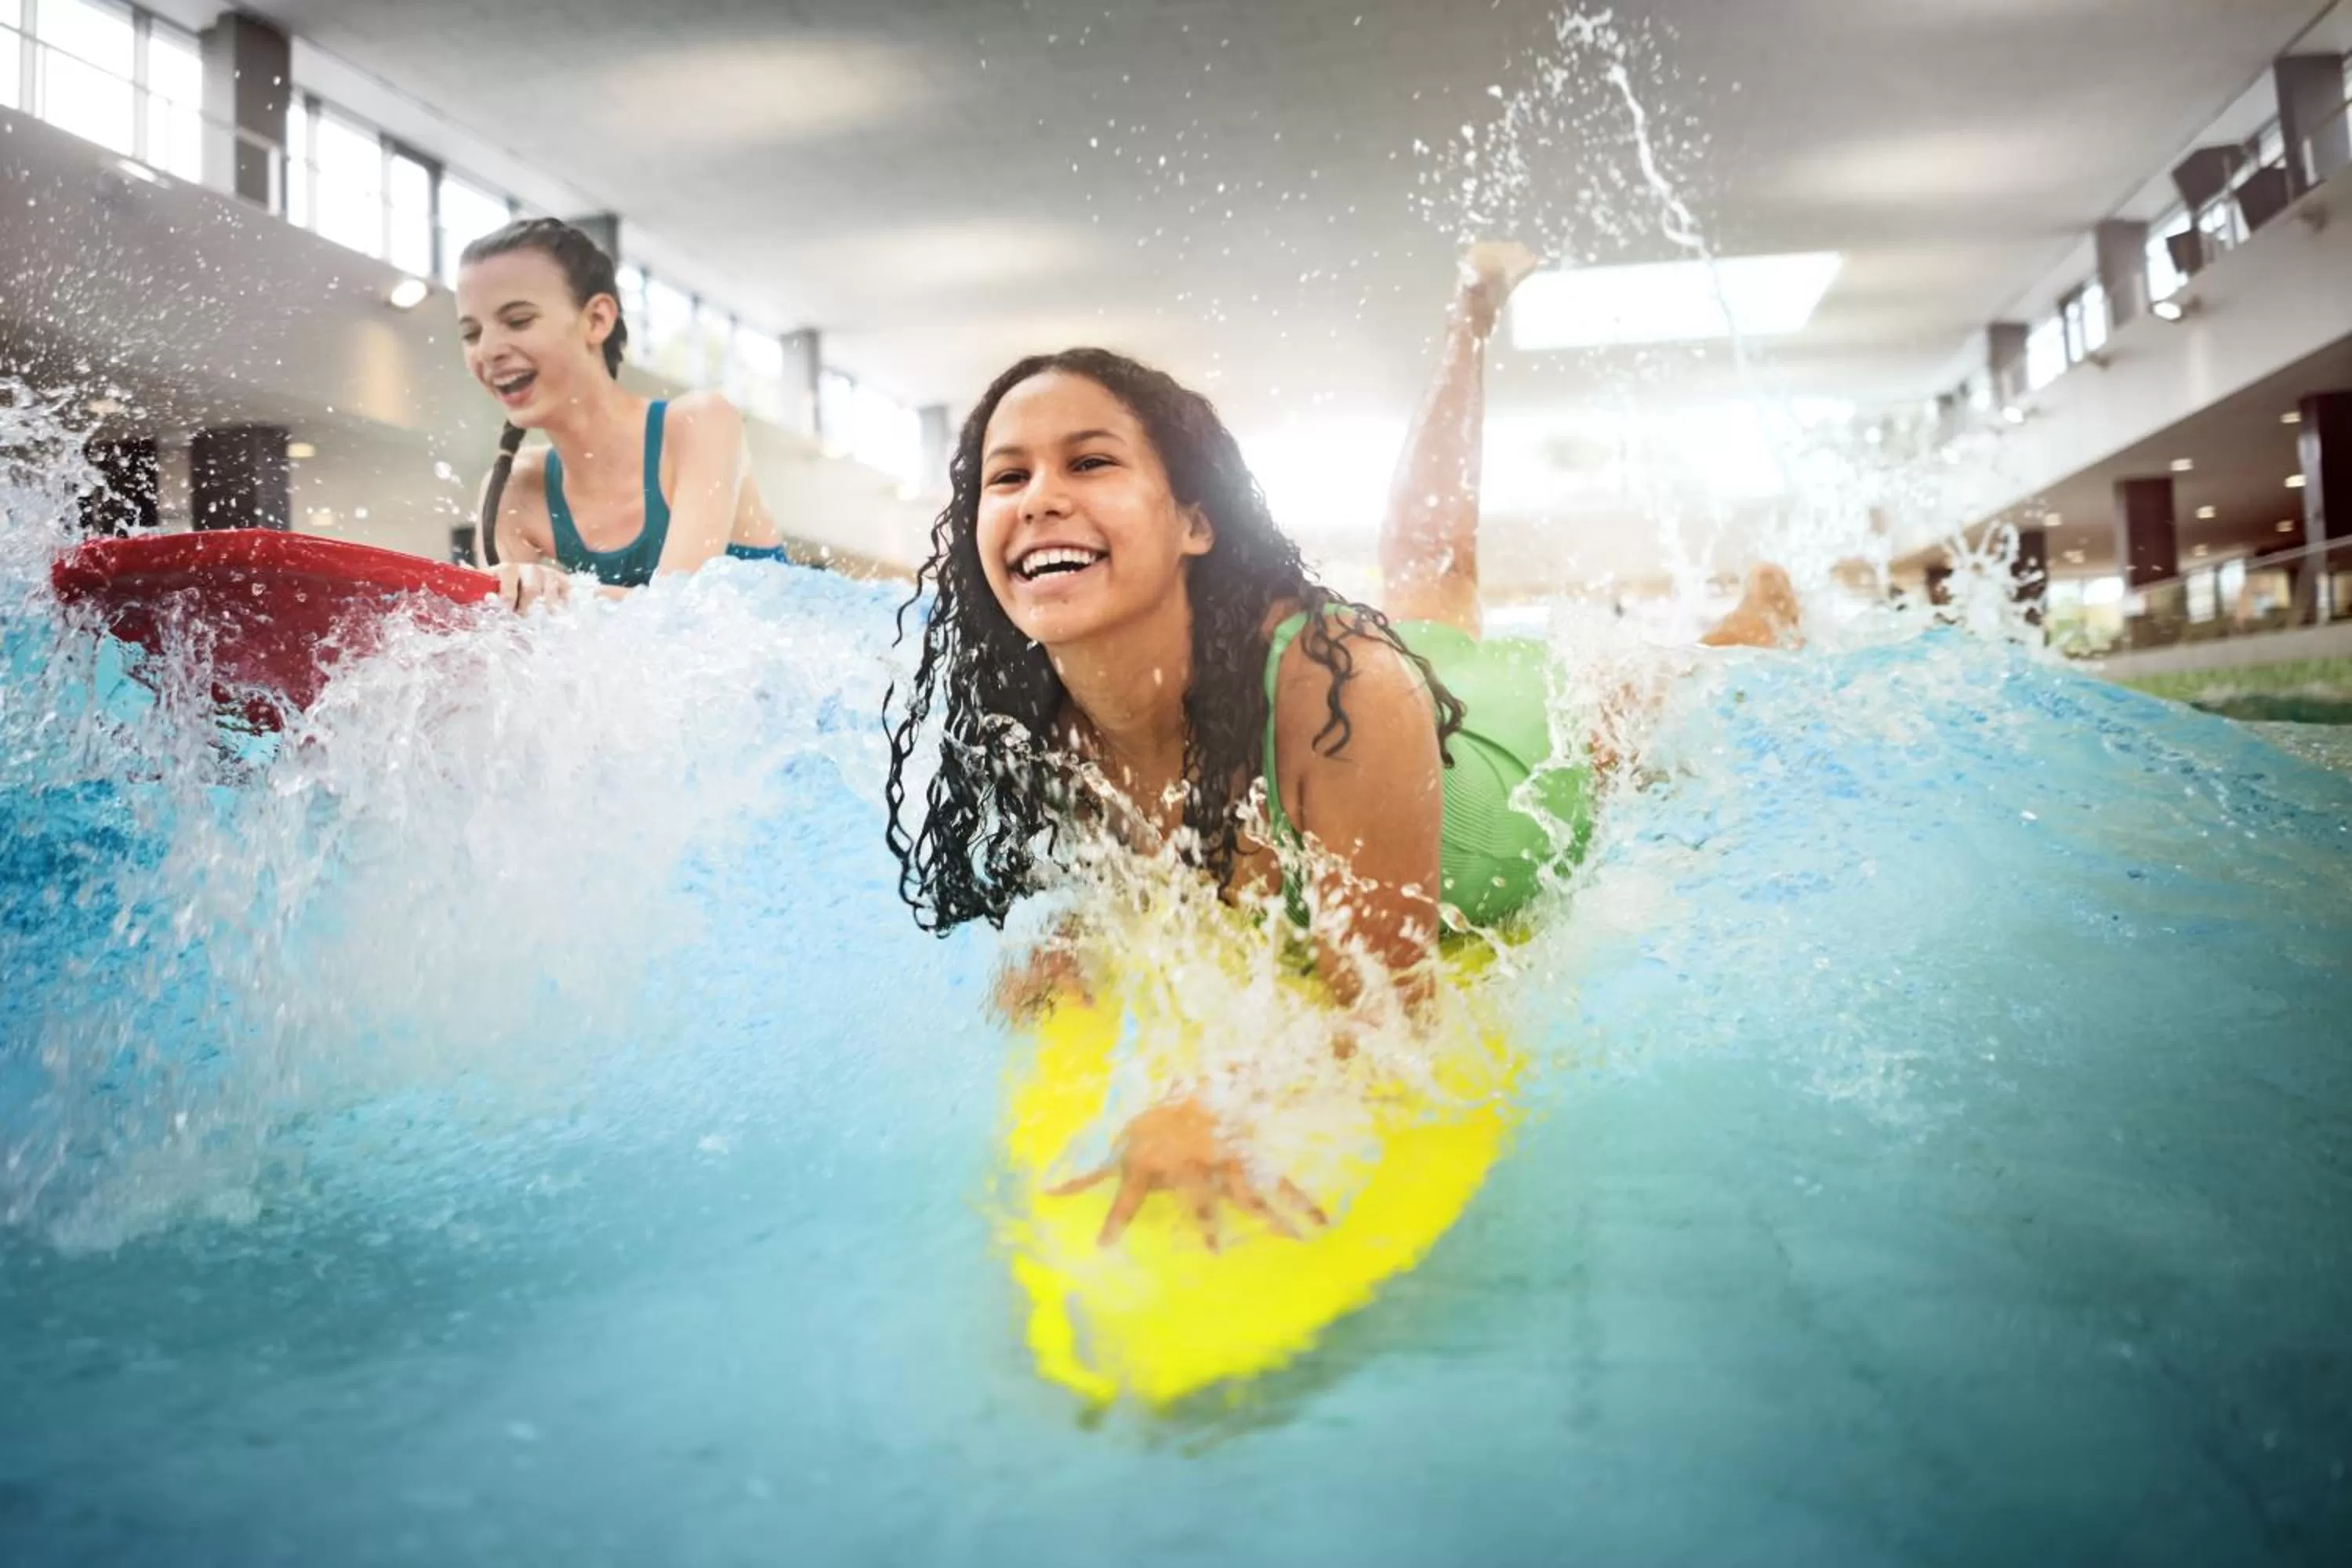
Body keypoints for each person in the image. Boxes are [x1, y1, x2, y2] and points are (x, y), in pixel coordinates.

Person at [883, 244, 1798, 1247]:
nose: (1039, 496)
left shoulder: (1342, 686)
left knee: (1652, 688)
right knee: (1431, 571)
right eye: (1005, 476)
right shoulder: (1039, 720)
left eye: (1090, 461)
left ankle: (1751, 620)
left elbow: (1392, 1020)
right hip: (1405, 707)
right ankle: (1472, 309)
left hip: (1506, 771)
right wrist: (1086, 940)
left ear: (1195, 521)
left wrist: (1229, 1098)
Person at [454, 218, 787, 610]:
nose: (489, 349)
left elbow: (682, 615)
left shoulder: (699, 423)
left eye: (519, 321)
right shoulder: (513, 486)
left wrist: (557, 592)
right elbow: (502, 642)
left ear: (597, 320)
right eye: (471, 334)